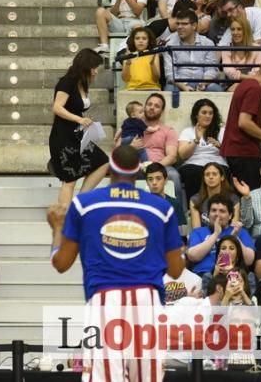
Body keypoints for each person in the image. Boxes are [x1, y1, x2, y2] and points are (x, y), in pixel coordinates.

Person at [48, 145, 184, 382]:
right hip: (147, 303)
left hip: (104, 301)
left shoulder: (84, 204)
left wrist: (57, 227)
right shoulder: (162, 209)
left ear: (110, 169)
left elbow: (60, 264)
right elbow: (176, 269)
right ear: (138, 173)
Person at [49, 49, 108, 205]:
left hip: (77, 136)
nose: (96, 72)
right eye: (94, 67)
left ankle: (80, 200)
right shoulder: (67, 82)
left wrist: (83, 120)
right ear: (86, 66)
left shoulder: (82, 84)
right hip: (63, 137)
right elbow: (57, 107)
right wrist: (79, 119)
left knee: (103, 161)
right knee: (69, 180)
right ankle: (64, 218)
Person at [221, 56, 261, 190]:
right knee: (249, 198)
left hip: (238, 151)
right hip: (243, 152)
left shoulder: (246, 84)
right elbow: (244, 122)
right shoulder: (254, 89)